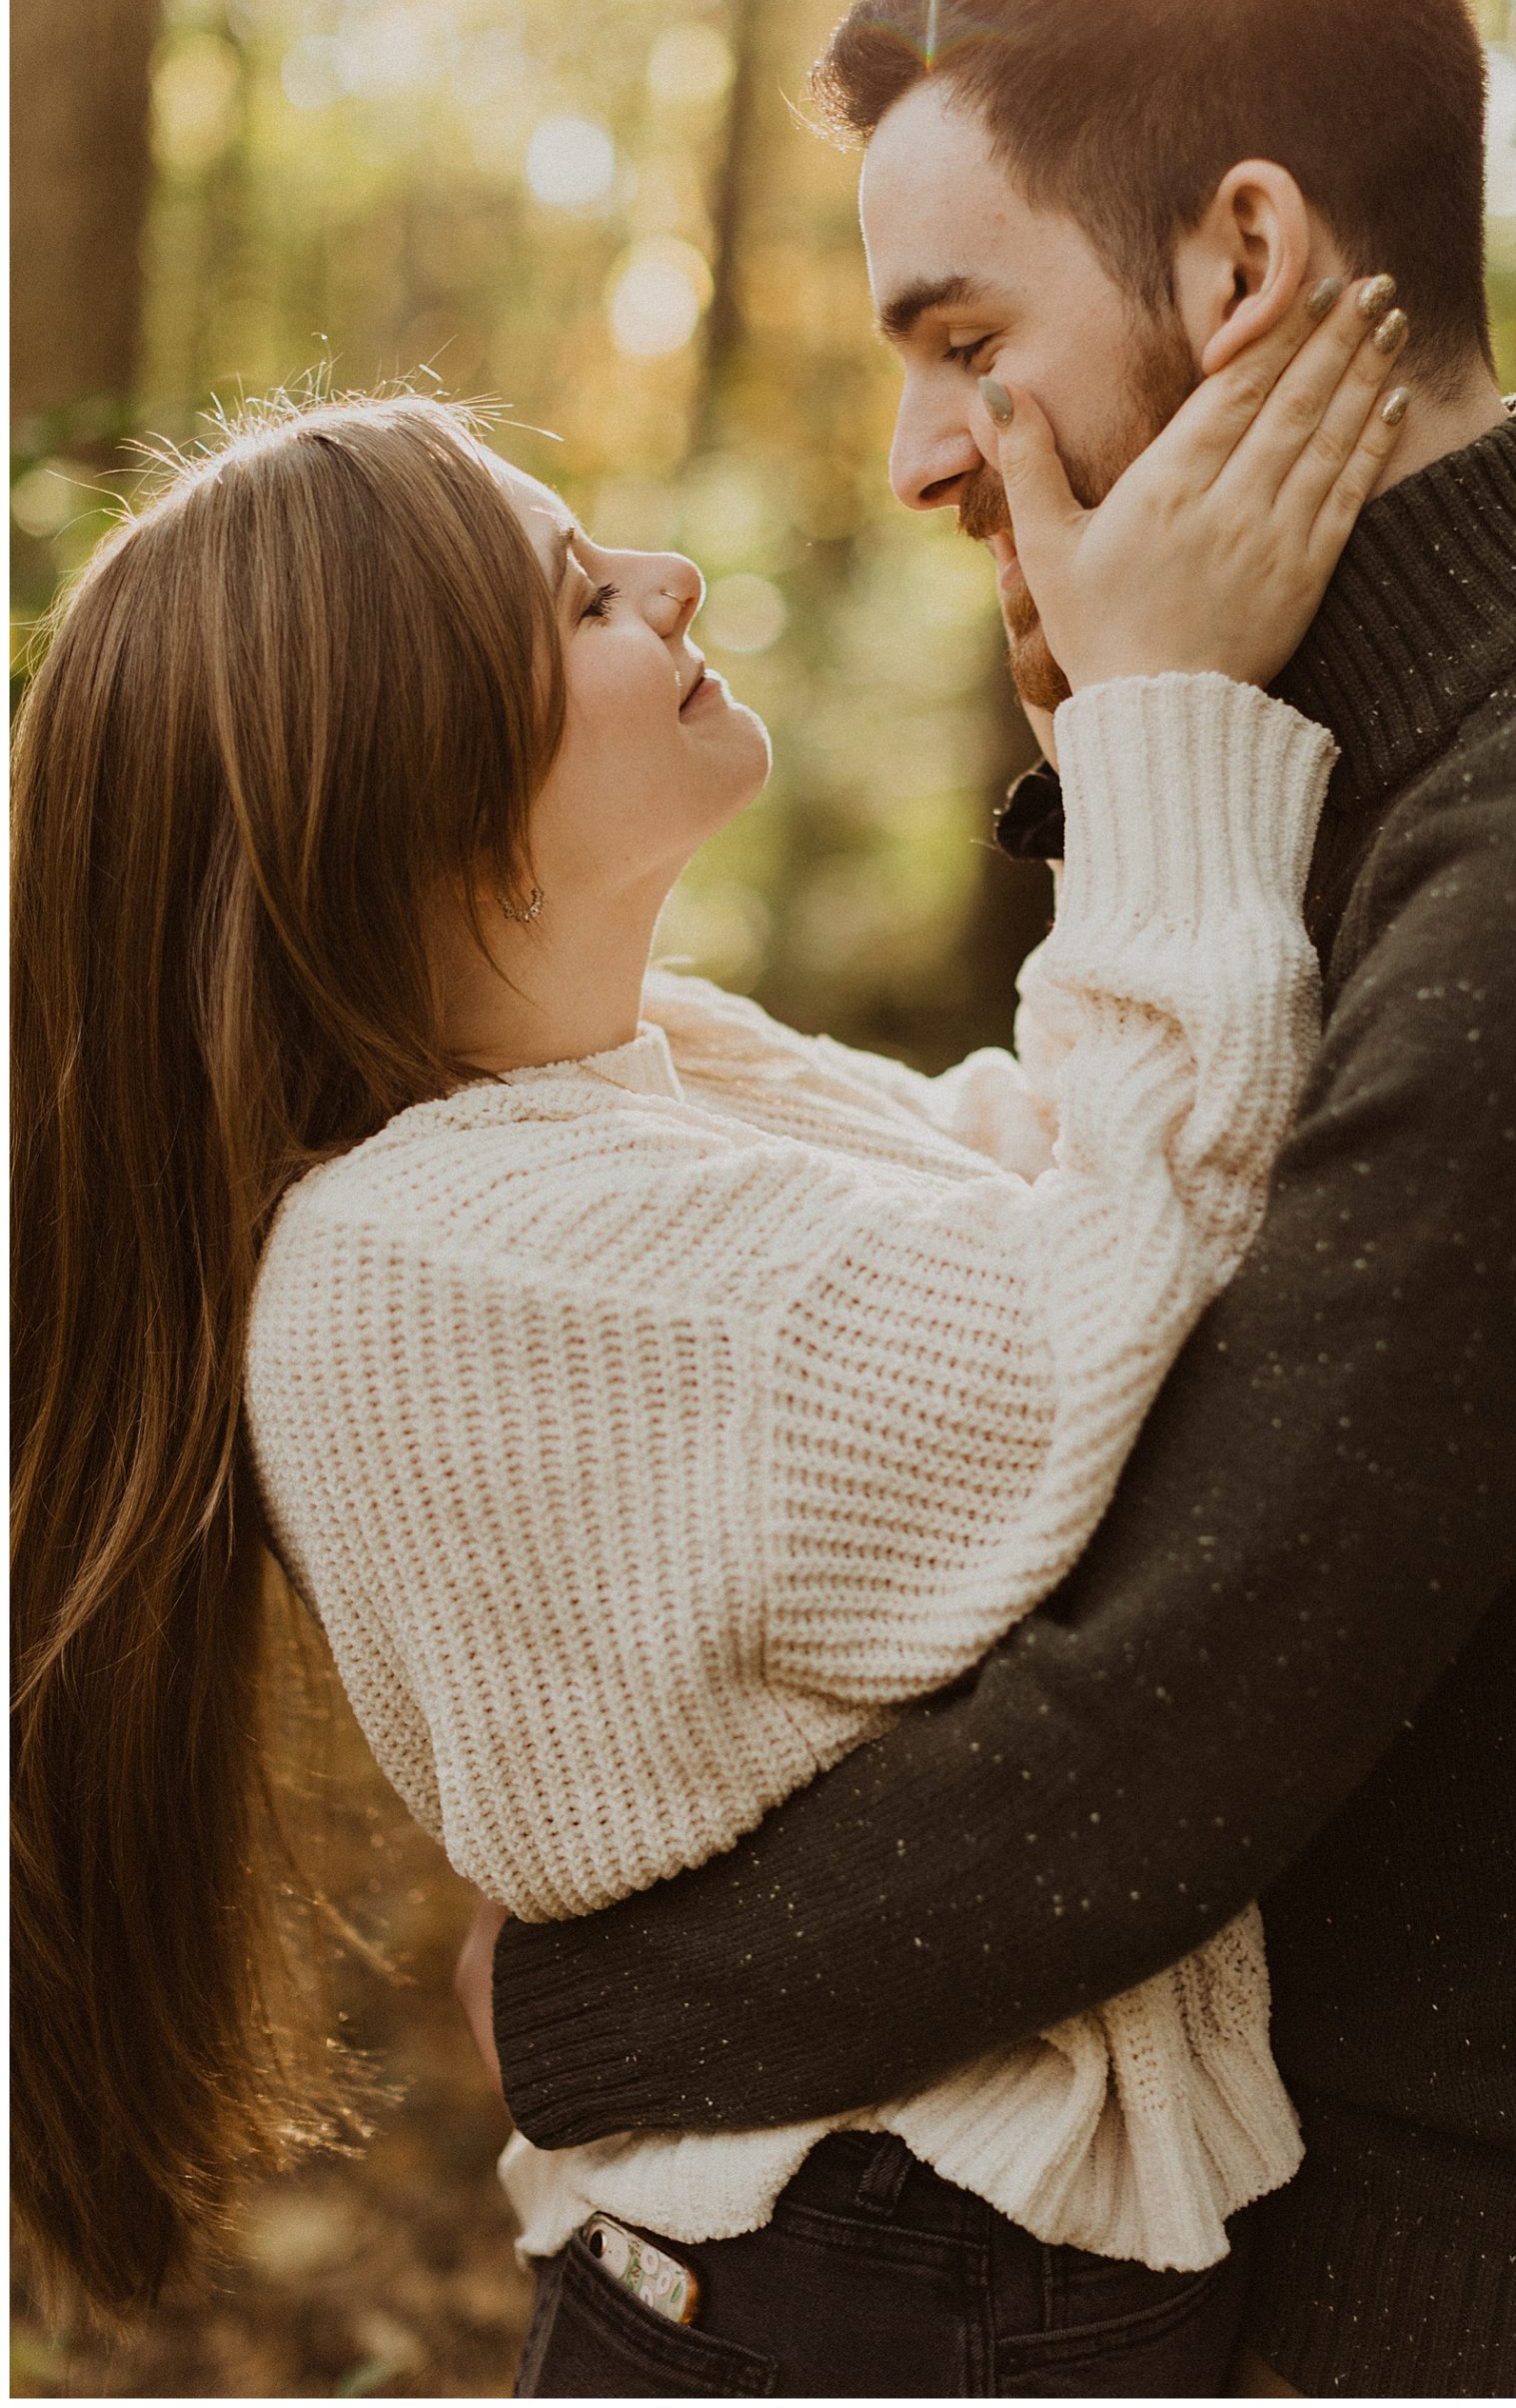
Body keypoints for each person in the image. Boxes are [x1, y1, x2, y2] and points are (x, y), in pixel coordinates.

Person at [474, 0, 1516, 2399]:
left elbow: (1169, 1697)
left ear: (1240, 256)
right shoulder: (1403, 777)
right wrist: (1127, 772)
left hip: (1471, 2305)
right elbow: (1067, 1344)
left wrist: (592, 2011)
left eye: (963, 334)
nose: (923, 445)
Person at [11, 290, 1410, 2379]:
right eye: (579, 593)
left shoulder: (629, 1082)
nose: (665, 574)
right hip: (872, 2282)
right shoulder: (451, 1262)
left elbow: (1045, 1183)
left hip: (916, 2245)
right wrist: (1169, 716)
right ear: (418, 791)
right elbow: (1136, 1322)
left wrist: (1111, 772)